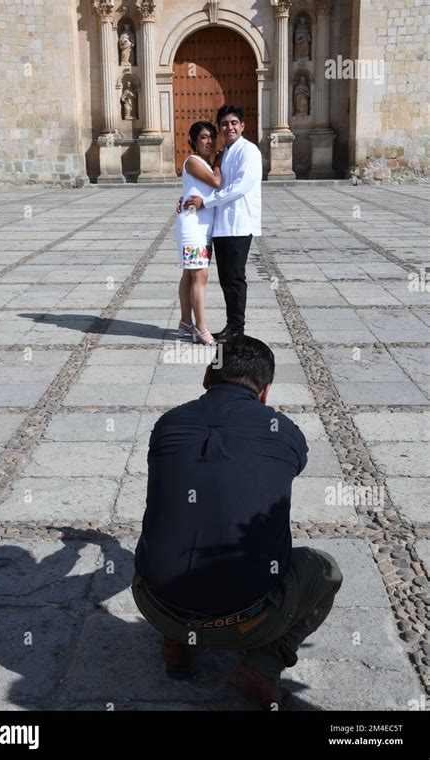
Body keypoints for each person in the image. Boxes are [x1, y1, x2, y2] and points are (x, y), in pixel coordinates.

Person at [132, 335, 343, 710]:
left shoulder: (168, 424)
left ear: (205, 378)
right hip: (249, 619)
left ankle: (175, 645)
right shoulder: (284, 430)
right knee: (325, 570)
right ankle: (261, 667)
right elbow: (288, 465)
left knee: (165, 542)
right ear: (265, 392)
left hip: (155, 603)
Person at [184, 105, 263, 343]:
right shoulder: (224, 153)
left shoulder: (249, 151)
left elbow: (239, 188)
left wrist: (206, 202)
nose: (229, 127)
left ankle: (237, 328)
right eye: (225, 124)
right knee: (226, 279)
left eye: (234, 123)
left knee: (235, 278)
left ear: (242, 125)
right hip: (221, 227)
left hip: (239, 224)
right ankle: (230, 325)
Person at [176, 121, 222, 347]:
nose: (209, 141)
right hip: (192, 226)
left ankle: (186, 321)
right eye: (203, 137)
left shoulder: (205, 162)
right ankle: (202, 328)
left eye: (212, 137)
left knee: (190, 275)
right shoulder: (193, 161)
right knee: (200, 275)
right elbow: (215, 182)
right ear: (194, 141)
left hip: (204, 228)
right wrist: (220, 163)